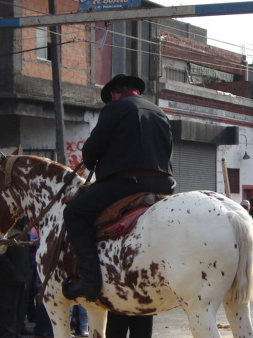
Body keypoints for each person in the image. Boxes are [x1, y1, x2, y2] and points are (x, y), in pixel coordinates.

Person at [62, 74, 175, 302]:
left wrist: (92, 160)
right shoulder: (159, 112)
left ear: (114, 93)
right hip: (164, 183)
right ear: (137, 91)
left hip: (126, 183)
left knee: (73, 212)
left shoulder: (114, 108)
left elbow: (94, 145)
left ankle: (90, 281)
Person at [0, 217, 33, 338]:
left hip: (21, 278)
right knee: (7, 311)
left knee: (19, 310)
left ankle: (16, 336)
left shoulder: (24, 232)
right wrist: (11, 270)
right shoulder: (4, 231)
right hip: (6, 279)